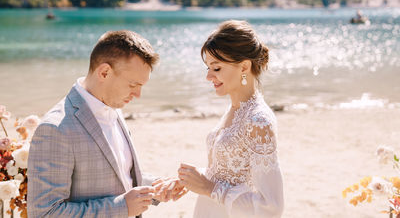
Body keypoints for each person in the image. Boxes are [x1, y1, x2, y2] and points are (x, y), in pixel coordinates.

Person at [28, 30, 186, 217]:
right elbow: (45, 213)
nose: (138, 95)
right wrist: (122, 207)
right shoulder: (55, 129)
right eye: (133, 85)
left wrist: (156, 187)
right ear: (104, 72)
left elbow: (120, 177)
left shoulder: (113, 107)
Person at [178, 20, 284, 218]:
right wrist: (191, 180)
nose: (209, 77)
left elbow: (271, 207)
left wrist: (209, 188)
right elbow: (229, 174)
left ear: (244, 67)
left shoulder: (258, 120)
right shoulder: (233, 109)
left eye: (216, 68)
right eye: (208, 68)